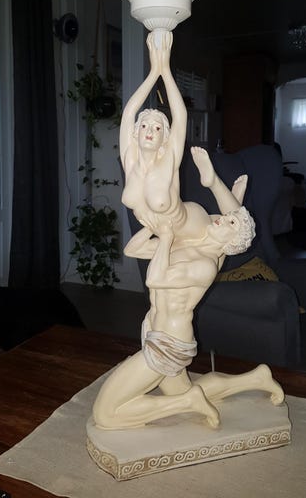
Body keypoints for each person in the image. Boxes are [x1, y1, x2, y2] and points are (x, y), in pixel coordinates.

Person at [92, 147, 283, 430]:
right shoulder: (191, 245)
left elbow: (154, 279)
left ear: (229, 242)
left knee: (105, 415)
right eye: (224, 216)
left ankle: (188, 403)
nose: (220, 218)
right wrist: (154, 226)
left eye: (227, 222)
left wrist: (166, 237)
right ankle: (255, 379)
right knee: (181, 387)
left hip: (167, 344)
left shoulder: (206, 264)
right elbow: (133, 249)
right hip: (155, 329)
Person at [120, 30, 245, 251]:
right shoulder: (130, 159)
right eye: (145, 126)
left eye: (157, 128)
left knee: (237, 236)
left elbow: (180, 117)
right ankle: (231, 197)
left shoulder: (169, 159)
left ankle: (214, 182)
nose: (150, 131)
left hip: (191, 226)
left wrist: (165, 71)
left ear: (164, 139)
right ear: (135, 133)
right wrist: (153, 73)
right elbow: (129, 113)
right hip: (167, 236)